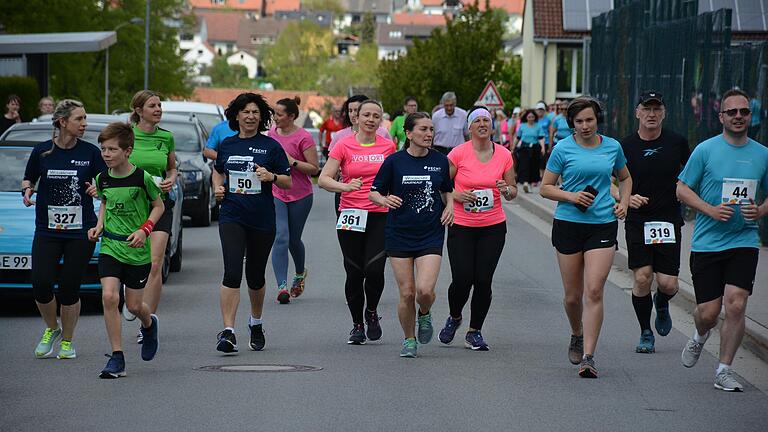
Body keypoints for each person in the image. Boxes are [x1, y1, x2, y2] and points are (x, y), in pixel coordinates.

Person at [678, 88, 768, 392]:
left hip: (744, 240)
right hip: (707, 242)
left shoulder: (762, 154)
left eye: (744, 111)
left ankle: (724, 369)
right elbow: (682, 189)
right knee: (709, 312)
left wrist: (760, 210)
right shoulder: (705, 150)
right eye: (733, 112)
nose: (739, 116)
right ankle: (700, 335)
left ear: (750, 116)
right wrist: (709, 210)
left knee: (736, 304)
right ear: (721, 117)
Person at [540, 97, 632, 378]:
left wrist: (624, 202)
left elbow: (625, 178)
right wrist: (571, 196)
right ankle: (576, 332)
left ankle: (589, 357)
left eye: (589, 120)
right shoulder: (563, 149)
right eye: (579, 121)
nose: (585, 126)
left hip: (602, 224)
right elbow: (545, 188)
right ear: (572, 124)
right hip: (568, 223)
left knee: (594, 290)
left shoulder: (612, 147)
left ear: (597, 119)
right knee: (572, 297)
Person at [22, 99, 106, 360]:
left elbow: (106, 188)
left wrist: (97, 190)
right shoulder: (42, 151)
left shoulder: (90, 153)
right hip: (48, 230)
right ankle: (51, 328)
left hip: (81, 231)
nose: (84, 124)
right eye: (79, 119)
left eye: (85, 119)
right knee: (41, 283)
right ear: (62, 122)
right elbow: (29, 177)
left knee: (70, 288)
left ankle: (68, 342)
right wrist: (27, 189)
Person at [212, 92, 292, 354]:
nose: (250, 116)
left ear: (262, 117)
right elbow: (218, 171)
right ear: (236, 115)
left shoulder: (271, 147)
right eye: (245, 112)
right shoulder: (227, 145)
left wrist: (271, 176)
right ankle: (228, 331)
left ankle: (256, 323)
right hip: (232, 216)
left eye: (255, 112)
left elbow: (288, 181)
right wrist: (217, 189)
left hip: (261, 218)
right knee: (232, 272)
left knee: (255, 276)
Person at [369, 112, 454, 357]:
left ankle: (424, 314)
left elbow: (447, 189)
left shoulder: (440, 160)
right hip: (399, 233)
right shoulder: (394, 162)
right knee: (406, 292)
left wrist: (449, 206)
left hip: (430, 232)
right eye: (423, 130)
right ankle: (409, 339)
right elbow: (373, 192)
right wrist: (384, 199)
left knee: (424, 291)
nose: (429, 134)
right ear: (408, 133)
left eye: (431, 130)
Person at [437, 106, 517, 351]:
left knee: (483, 280)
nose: (482, 123)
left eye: (486, 120)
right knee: (462, 279)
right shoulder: (458, 154)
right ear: (469, 127)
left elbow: (513, 191)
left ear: (492, 126)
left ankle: (474, 331)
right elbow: (442, 188)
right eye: (477, 120)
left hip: (493, 227)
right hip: (462, 225)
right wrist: (458, 196)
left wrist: (506, 190)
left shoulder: (504, 154)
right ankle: (455, 316)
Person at [318, 99, 396, 345]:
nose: (371, 120)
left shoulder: (388, 146)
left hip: (380, 214)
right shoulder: (343, 145)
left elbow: (394, 177)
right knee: (354, 272)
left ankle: (371, 311)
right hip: (351, 213)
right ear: (357, 118)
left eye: (376, 116)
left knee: (374, 269)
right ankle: (357, 325)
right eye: (367, 115)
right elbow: (323, 179)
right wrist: (345, 186)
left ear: (380, 120)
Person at [89, 122, 164, 379]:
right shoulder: (102, 178)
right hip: (111, 245)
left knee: (133, 306)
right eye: (103, 149)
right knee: (109, 297)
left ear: (127, 151)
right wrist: (99, 226)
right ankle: (117, 356)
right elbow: (105, 203)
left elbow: (159, 206)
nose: (106, 154)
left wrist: (145, 230)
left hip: (137, 251)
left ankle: (149, 323)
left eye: (111, 149)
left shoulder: (142, 178)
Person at [621, 91, 689, 354]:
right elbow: (610, 180)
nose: (651, 114)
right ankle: (645, 331)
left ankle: (662, 302)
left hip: (668, 219)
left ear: (664, 113)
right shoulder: (625, 146)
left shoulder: (677, 143)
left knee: (669, 283)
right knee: (642, 278)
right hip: (638, 220)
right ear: (637, 112)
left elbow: (691, 174)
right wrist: (626, 198)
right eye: (646, 109)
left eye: (656, 109)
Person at [125, 90, 177, 344]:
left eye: (160, 105)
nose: (158, 109)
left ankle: (147, 322)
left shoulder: (166, 137)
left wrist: (170, 180)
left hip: (159, 206)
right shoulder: (127, 136)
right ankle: (132, 299)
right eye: (152, 105)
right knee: (134, 260)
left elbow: (172, 168)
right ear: (138, 110)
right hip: (129, 209)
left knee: (155, 263)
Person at [268, 97, 318, 303]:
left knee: (293, 239)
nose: (275, 118)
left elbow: (314, 169)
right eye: (274, 113)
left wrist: (292, 161)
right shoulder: (271, 135)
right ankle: (282, 286)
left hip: (300, 194)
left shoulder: (303, 137)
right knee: (280, 236)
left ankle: (299, 273)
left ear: (291, 116)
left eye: (279, 114)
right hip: (276, 190)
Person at [513, 109, 545, 193]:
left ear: (535, 118)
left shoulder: (538, 126)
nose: (531, 118)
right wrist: (513, 147)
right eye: (529, 117)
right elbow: (518, 137)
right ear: (526, 118)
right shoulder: (522, 126)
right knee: (524, 165)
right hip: (524, 148)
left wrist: (543, 148)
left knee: (533, 166)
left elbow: (541, 137)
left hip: (534, 148)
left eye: (532, 117)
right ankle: (525, 182)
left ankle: (530, 183)